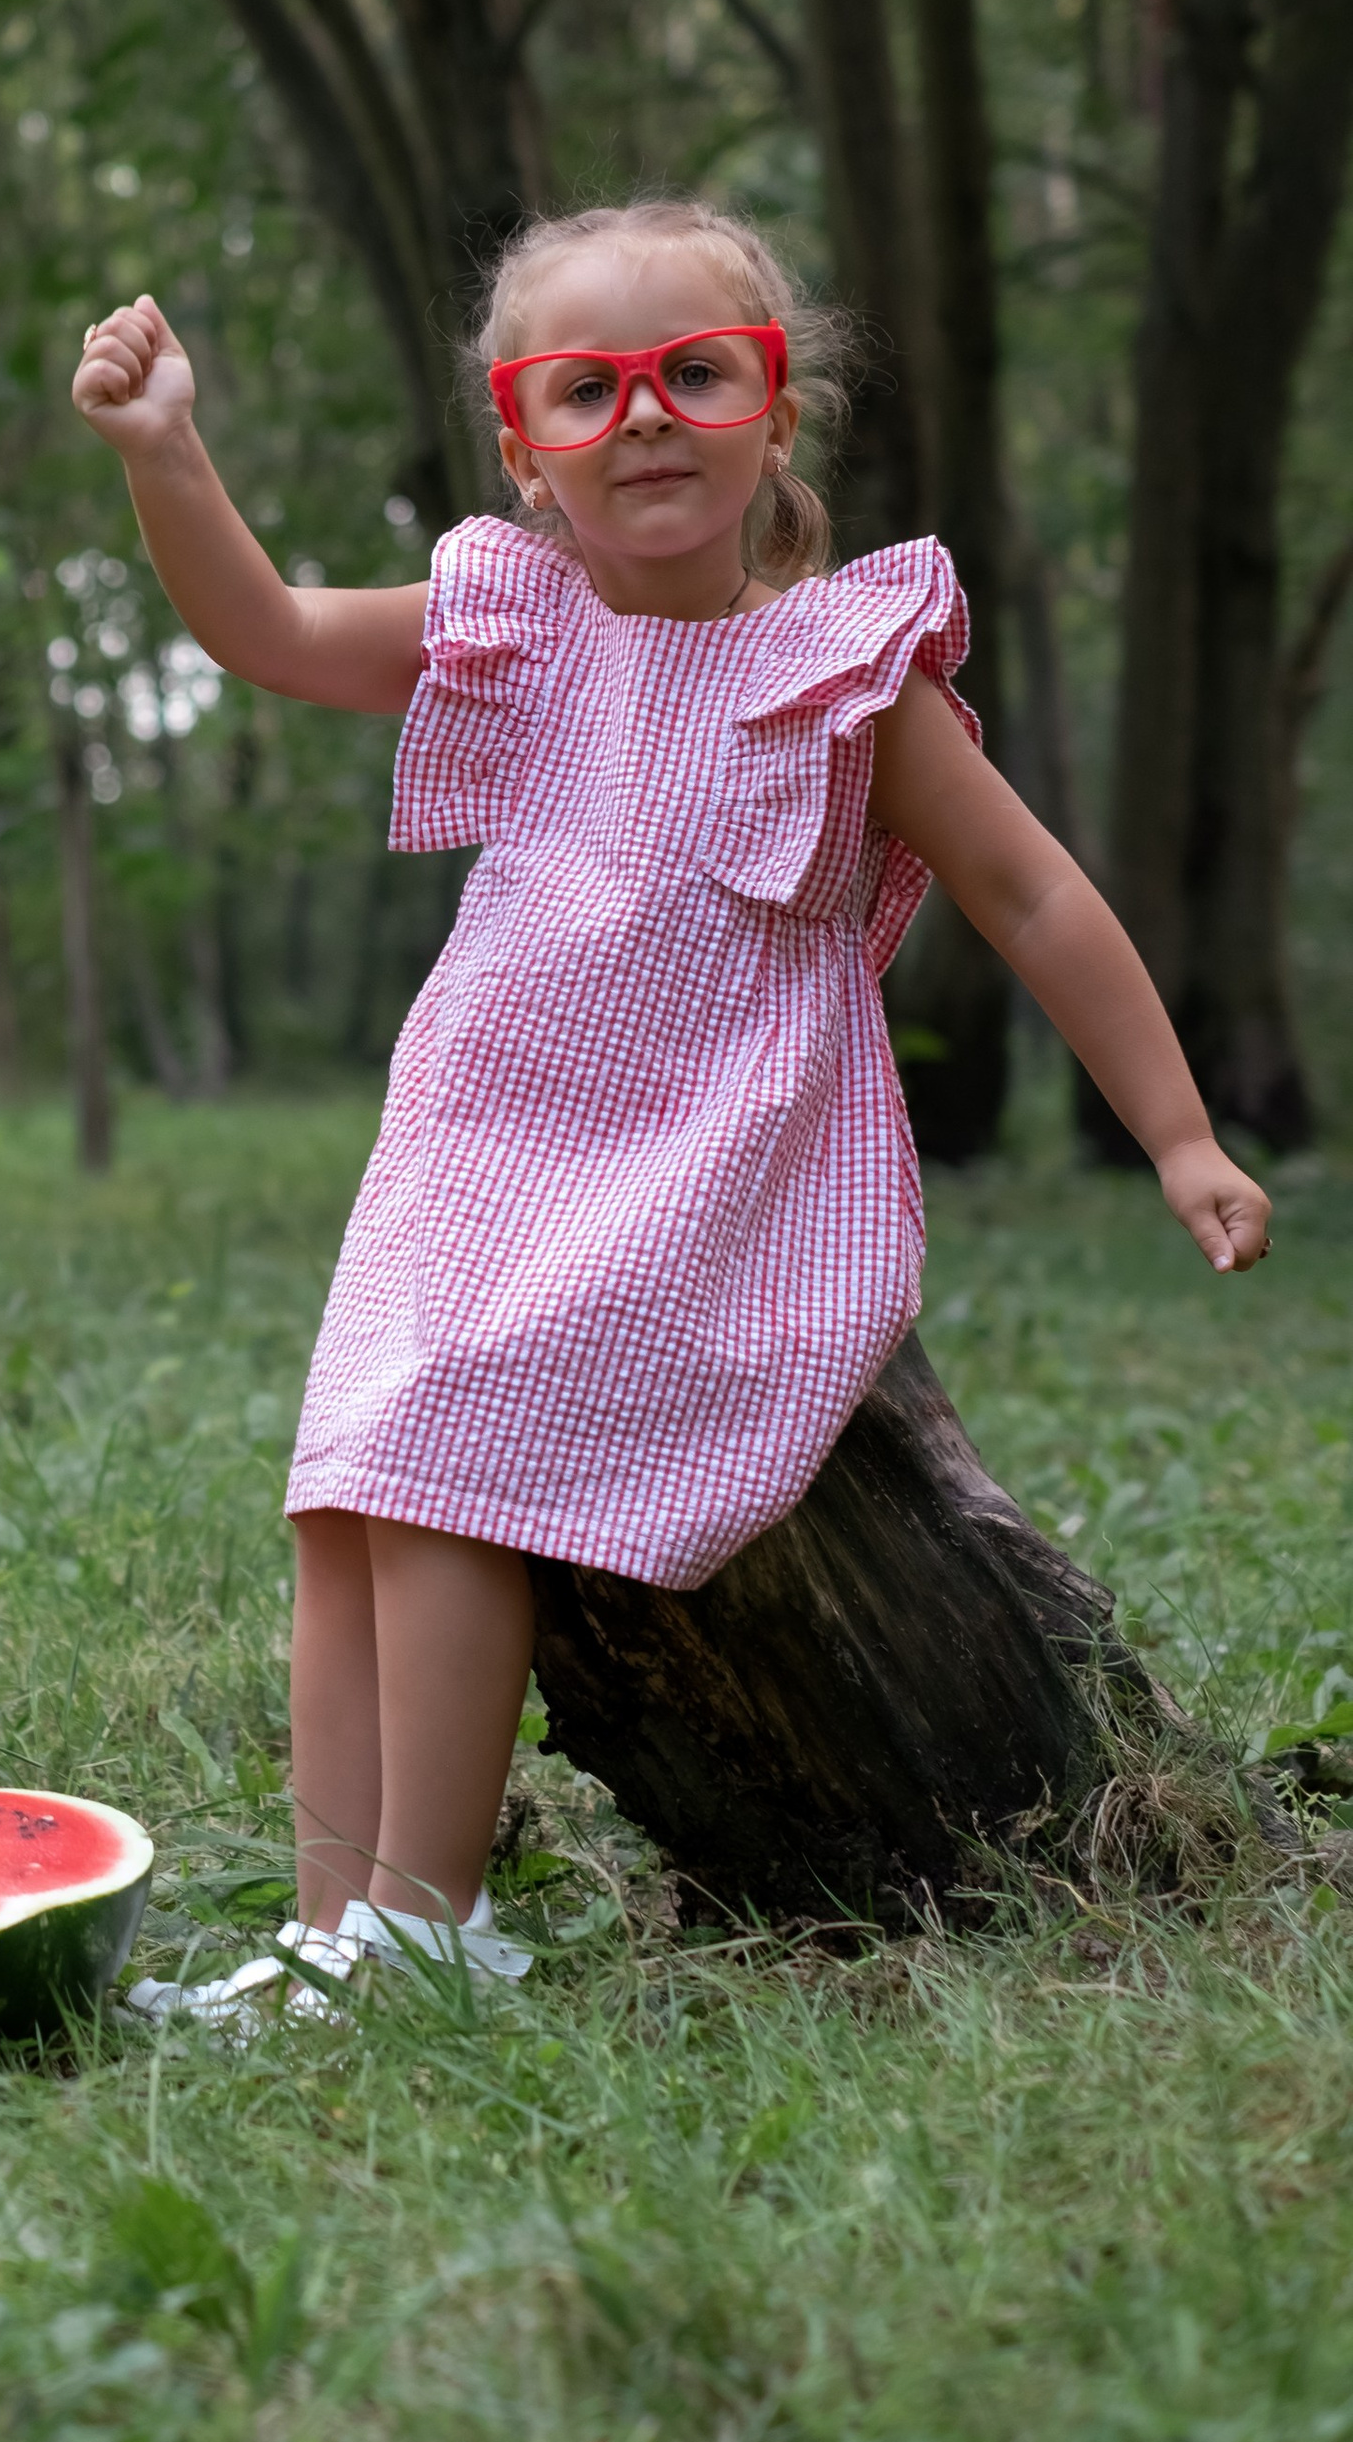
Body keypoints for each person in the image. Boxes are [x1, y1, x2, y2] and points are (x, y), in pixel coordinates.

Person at [73, 197, 1270, 2012]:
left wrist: (1178, 1135)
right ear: (524, 449)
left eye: (694, 374)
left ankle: (429, 1924)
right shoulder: (515, 622)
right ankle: (332, 1936)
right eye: (589, 388)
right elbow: (273, 631)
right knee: (351, 1490)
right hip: (477, 1147)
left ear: (772, 414)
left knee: (449, 1460)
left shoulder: (840, 672)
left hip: (706, 1172)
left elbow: (1032, 895)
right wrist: (166, 454)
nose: (643, 416)